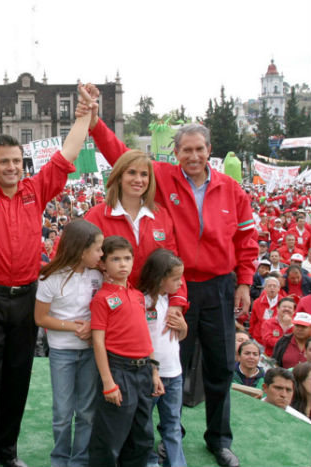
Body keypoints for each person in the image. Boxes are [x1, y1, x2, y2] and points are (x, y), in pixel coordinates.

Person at [80, 87, 257, 467]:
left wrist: (244, 281)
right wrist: (95, 122)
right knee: (168, 362)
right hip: (173, 288)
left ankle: (219, 438)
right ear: (175, 154)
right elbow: (120, 155)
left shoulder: (233, 189)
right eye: (185, 150)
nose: (193, 156)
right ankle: (168, 436)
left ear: (210, 150)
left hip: (220, 286)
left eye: (199, 149)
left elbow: (247, 237)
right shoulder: (162, 178)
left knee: (222, 364)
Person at [0, 79, 94, 467]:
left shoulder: (35, 190)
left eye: (17, 160)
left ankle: (7, 454)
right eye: (4, 161)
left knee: (17, 380)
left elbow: (67, 153)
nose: (12, 167)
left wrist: (85, 115)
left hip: (26, 298)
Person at [88, 236, 163, 467]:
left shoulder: (138, 296)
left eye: (127, 258)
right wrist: (108, 382)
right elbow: (98, 342)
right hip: (119, 371)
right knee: (110, 437)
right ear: (103, 264)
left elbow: (144, 337)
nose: (123, 264)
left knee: (142, 437)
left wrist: (154, 371)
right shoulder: (102, 299)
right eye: (116, 259)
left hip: (143, 372)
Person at [34, 219, 104, 467]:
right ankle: (60, 459)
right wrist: (74, 327)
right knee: (63, 413)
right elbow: (40, 318)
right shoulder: (50, 277)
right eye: (97, 249)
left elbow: (105, 307)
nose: (101, 254)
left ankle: (80, 460)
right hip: (62, 353)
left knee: (86, 412)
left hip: (89, 353)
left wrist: (92, 325)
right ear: (81, 250)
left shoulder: (98, 275)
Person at [84, 150, 187, 312]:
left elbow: (173, 264)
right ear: (118, 177)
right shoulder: (97, 216)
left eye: (144, 174)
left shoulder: (162, 216)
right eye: (132, 172)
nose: (138, 180)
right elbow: (79, 261)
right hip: (112, 309)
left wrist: (177, 302)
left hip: (155, 308)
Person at [137, 248, 188, 467]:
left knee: (173, 425)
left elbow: (178, 336)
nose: (179, 284)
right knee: (145, 425)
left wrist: (184, 327)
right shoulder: (142, 302)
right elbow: (140, 340)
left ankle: (176, 463)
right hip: (151, 374)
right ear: (160, 278)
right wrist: (152, 369)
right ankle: (149, 462)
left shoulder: (170, 302)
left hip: (174, 373)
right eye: (175, 279)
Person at [248, 276, 283, 344]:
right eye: (269, 286)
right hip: (259, 339)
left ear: (279, 288)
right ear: (265, 288)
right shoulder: (257, 302)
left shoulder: (284, 303)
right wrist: (251, 333)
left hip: (277, 340)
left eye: (274, 286)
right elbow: (253, 320)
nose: (272, 288)